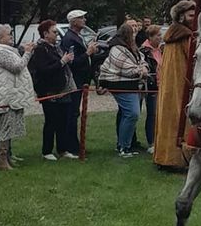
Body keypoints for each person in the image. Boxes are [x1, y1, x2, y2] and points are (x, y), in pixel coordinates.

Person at [0, 25, 36, 170]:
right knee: (4, 129)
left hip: (8, 94)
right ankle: (2, 160)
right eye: (8, 34)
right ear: (0, 38)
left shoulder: (4, 51)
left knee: (7, 128)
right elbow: (17, 67)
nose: (11, 36)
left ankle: (6, 158)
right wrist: (27, 53)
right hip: (5, 96)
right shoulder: (0, 52)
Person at [152, 0, 195, 171]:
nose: (194, 18)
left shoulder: (171, 34)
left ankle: (163, 157)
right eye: (191, 15)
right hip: (180, 84)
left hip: (170, 85)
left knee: (167, 118)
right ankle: (176, 159)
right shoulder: (186, 35)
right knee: (179, 118)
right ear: (181, 16)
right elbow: (193, 59)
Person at [99, 23, 148, 159]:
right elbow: (123, 67)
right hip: (120, 84)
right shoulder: (116, 48)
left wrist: (143, 67)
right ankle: (123, 147)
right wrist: (141, 71)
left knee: (126, 114)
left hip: (131, 84)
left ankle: (123, 145)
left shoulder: (131, 47)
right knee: (132, 113)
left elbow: (141, 59)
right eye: (133, 33)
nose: (135, 36)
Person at [28, 19, 74, 161]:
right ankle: (47, 151)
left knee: (63, 121)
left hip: (63, 89)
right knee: (51, 121)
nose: (57, 35)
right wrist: (62, 61)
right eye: (54, 32)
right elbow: (43, 70)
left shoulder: (55, 47)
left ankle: (62, 149)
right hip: (49, 91)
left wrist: (66, 61)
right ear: (45, 33)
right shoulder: (41, 49)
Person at [59, 11, 98, 159]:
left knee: (75, 112)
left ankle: (75, 145)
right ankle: (72, 146)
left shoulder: (77, 36)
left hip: (82, 79)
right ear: (73, 21)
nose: (84, 20)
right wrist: (87, 53)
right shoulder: (69, 38)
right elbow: (72, 61)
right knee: (72, 113)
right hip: (75, 80)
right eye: (81, 18)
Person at [140, 25, 162, 150]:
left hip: (162, 85)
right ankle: (151, 142)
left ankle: (159, 139)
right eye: (158, 36)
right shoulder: (144, 51)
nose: (160, 38)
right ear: (150, 37)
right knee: (152, 114)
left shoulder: (161, 49)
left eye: (160, 35)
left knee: (159, 114)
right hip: (152, 86)